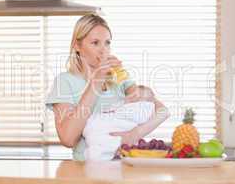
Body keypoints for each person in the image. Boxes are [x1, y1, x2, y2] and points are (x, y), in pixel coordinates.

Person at [46, 14, 169, 161]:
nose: (103, 50)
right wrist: (96, 82)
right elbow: (68, 139)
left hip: (124, 166)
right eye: (95, 43)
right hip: (86, 169)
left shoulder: (120, 78)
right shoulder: (65, 82)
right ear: (77, 46)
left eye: (107, 43)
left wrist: (134, 134)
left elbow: (162, 111)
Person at [83, 86, 167, 161]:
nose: (135, 99)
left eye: (140, 97)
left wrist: (136, 132)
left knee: (106, 144)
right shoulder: (123, 102)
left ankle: (98, 154)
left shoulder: (145, 107)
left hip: (118, 138)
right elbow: (112, 110)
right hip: (101, 127)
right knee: (97, 129)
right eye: (133, 96)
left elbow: (159, 112)